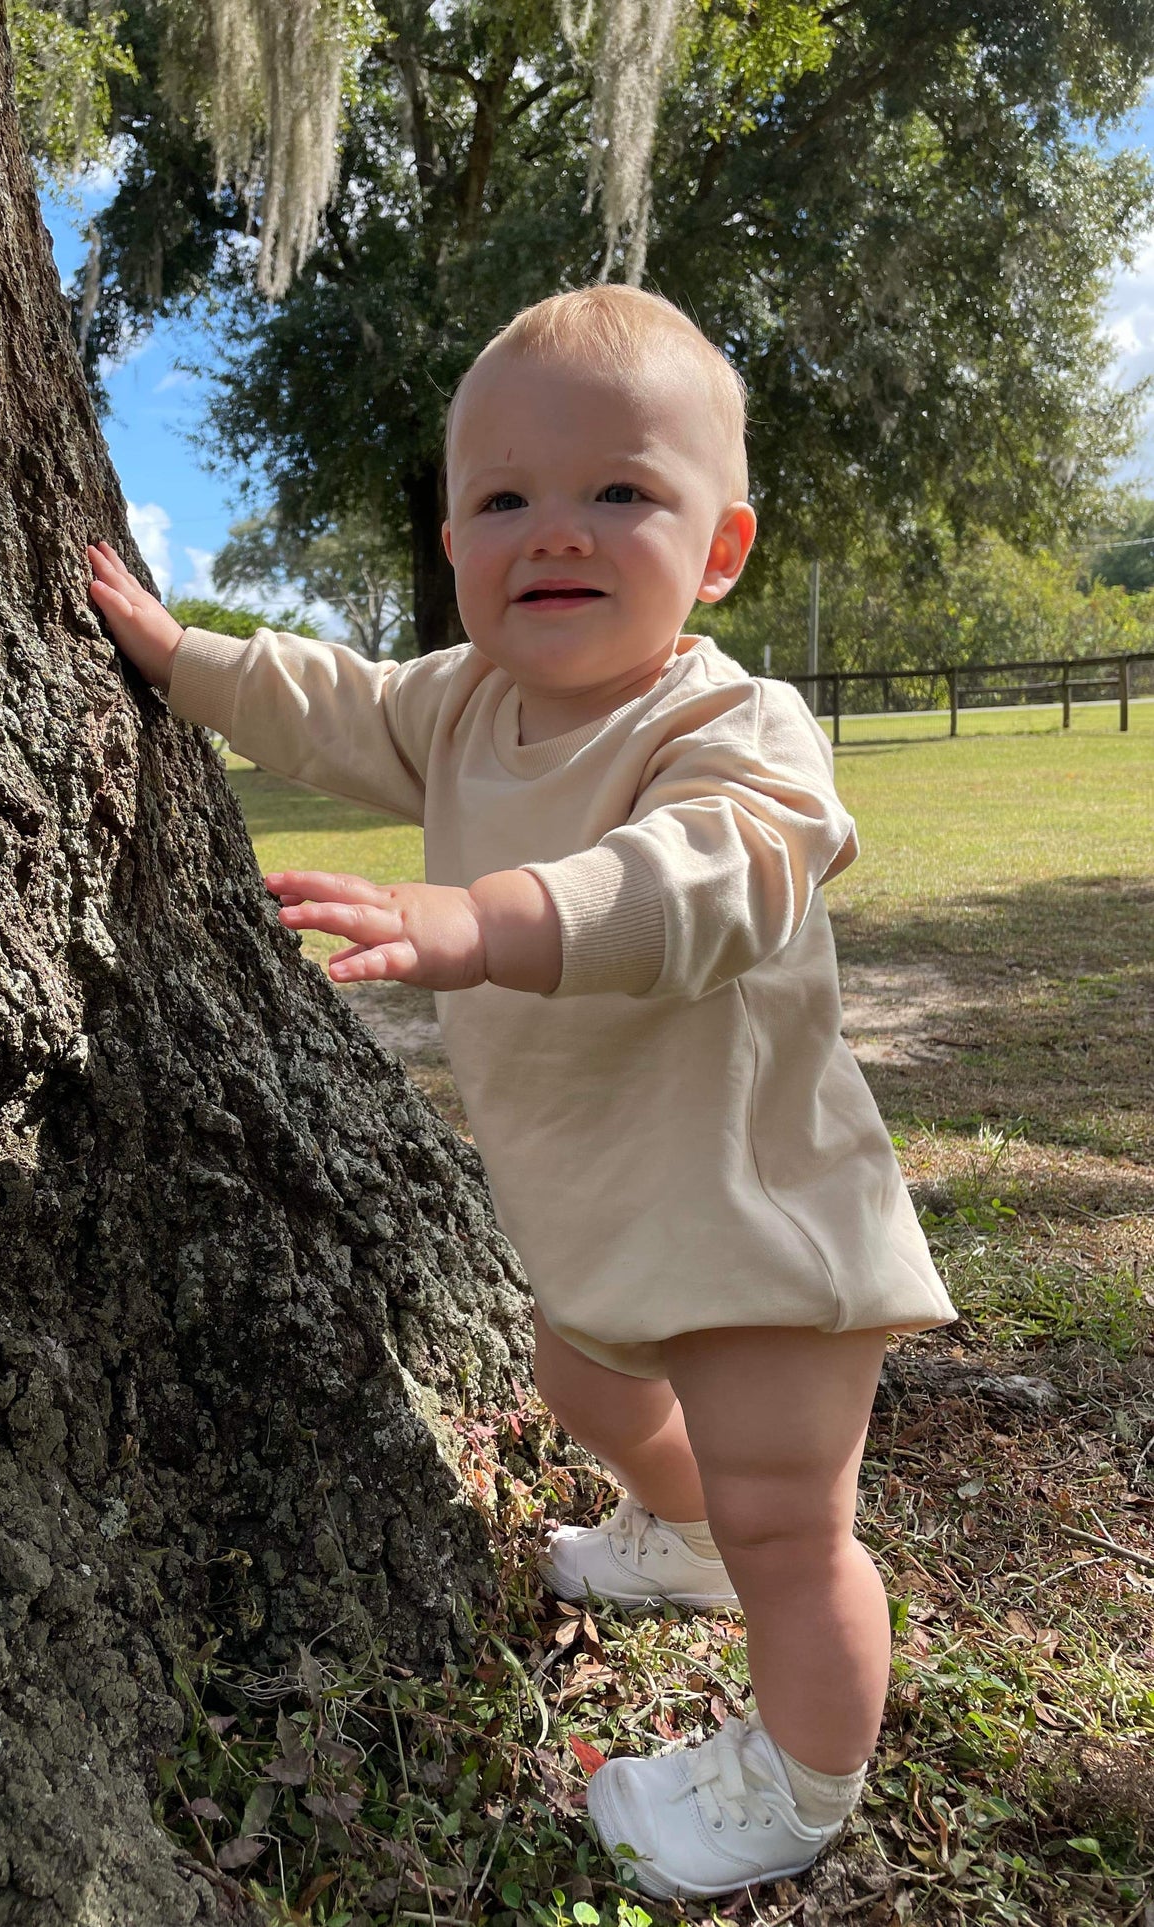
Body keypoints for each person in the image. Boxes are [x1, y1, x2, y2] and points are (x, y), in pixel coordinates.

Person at [84, 284, 957, 1900]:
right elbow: (326, 702)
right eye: (503, 500)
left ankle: (800, 1777)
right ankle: (674, 1539)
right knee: (585, 1383)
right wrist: (175, 650)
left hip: (764, 1222)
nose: (553, 529)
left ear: (719, 550)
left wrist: (481, 920)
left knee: (790, 1522)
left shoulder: (732, 725)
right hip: (599, 1209)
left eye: (619, 490)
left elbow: (713, 878)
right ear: (454, 540)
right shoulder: (463, 708)